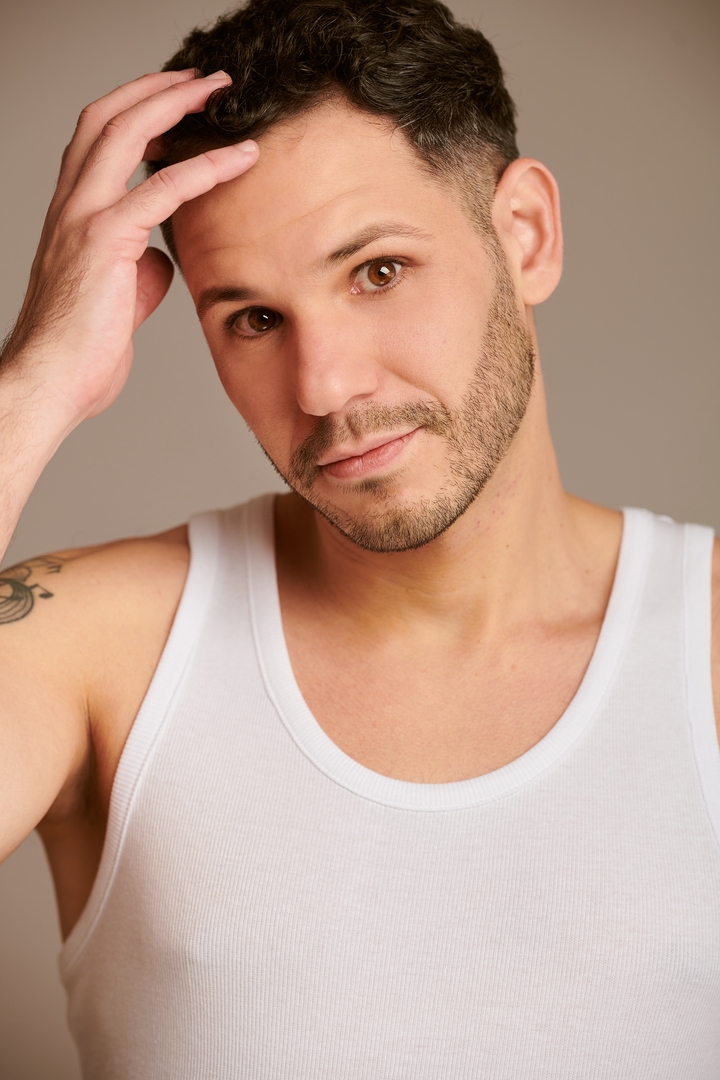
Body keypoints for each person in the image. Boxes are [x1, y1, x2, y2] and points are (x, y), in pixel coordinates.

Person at [1, 0, 719, 1074]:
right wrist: (34, 384)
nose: (324, 385)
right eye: (252, 319)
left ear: (525, 233)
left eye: (378, 271)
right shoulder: (98, 651)